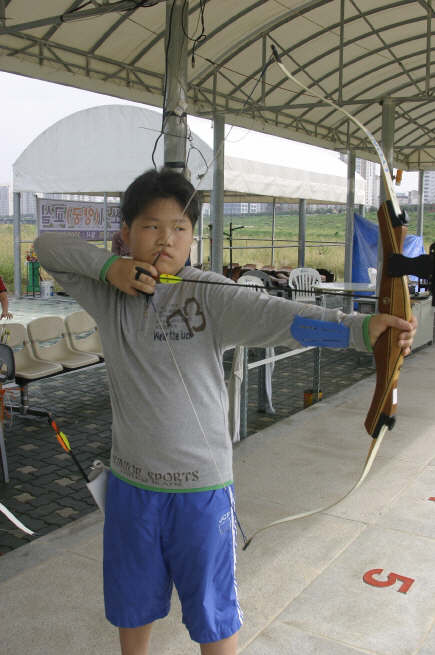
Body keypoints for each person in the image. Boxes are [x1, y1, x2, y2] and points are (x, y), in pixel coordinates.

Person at [34, 169, 416, 655]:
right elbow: (46, 246)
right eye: (151, 226)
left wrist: (361, 331)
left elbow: (284, 320)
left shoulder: (209, 293)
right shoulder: (109, 293)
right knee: (133, 602)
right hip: (132, 487)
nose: (166, 239)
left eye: (180, 228)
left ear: (193, 236)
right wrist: (111, 267)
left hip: (201, 490)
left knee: (213, 612)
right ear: (125, 232)